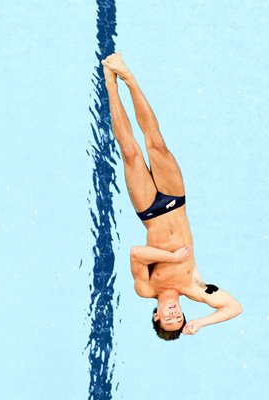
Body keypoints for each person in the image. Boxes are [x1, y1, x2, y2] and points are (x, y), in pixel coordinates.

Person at [102, 53, 242, 340]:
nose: (174, 316)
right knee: (155, 141)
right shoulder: (194, 286)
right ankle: (129, 79)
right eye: (179, 319)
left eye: (167, 320)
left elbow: (136, 254)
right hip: (175, 200)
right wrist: (201, 323)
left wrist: (171, 256)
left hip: (150, 211)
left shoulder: (146, 289)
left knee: (129, 151)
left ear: (157, 316)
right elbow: (234, 307)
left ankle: (111, 84)